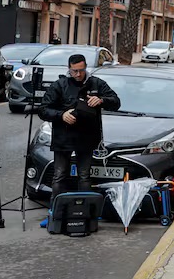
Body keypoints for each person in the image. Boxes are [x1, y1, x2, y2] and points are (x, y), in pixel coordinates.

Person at [39, 53, 121, 199]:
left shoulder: (96, 83)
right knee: (59, 175)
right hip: (63, 138)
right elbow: (43, 110)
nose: (78, 74)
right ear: (68, 69)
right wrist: (61, 115)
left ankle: (84, 211)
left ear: (86, 68)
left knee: (84, 176)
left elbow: (116, 102)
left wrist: (101, 100)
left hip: (87, 137)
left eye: (81, 70)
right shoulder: (59, 85)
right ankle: (56, 211)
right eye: (74, 71)